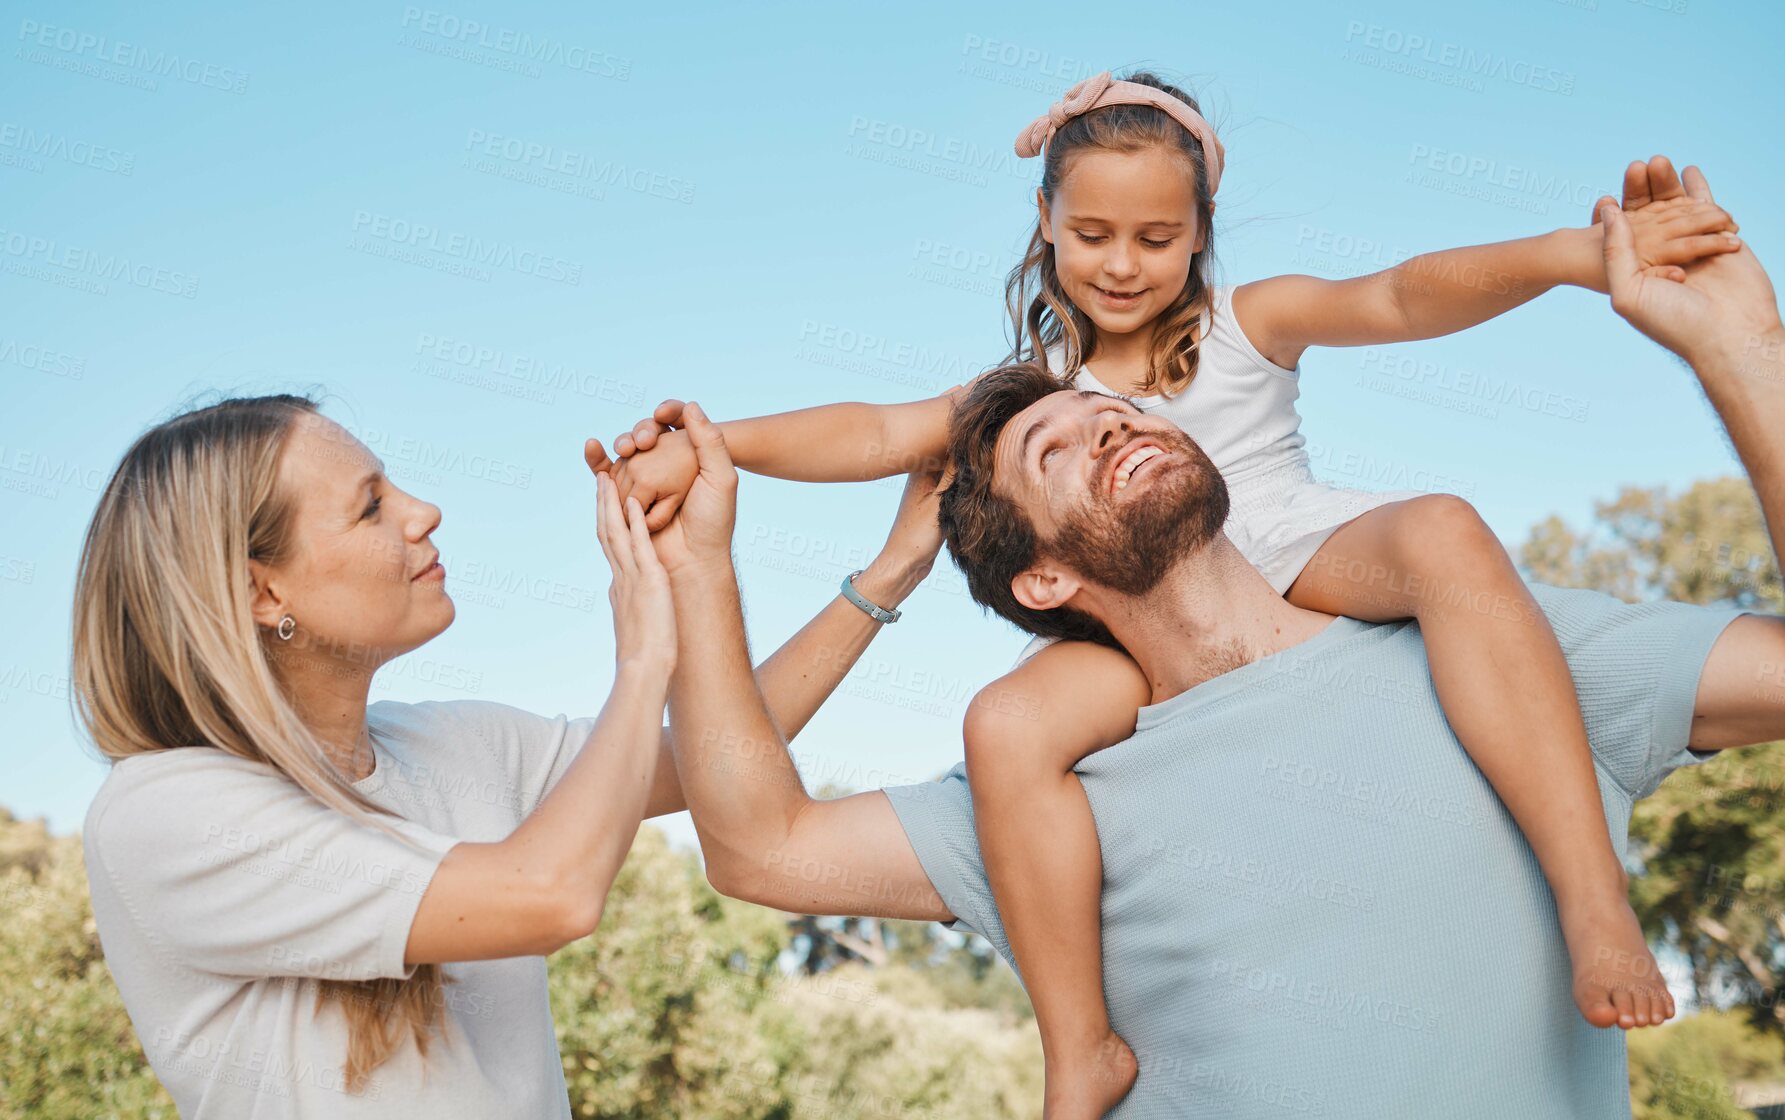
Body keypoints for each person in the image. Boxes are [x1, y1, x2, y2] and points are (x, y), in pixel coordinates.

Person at [597, 71, 1742, 1115]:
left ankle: (1593, 900)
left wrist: (1576, 257)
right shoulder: (1030, 394)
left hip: (1295, 550)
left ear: (1202, 234)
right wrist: (715, 444)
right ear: (1044, 224)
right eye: (1091, 233)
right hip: (1133, 627)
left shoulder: (1248, 325)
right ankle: (1077, 1045)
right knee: (1007, 721)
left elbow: (1399, 296)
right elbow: (870, 430)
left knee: (1443, 531)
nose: (1123, 264)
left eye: (1158, 236)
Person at [72, 391, 944, 1117]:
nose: (424, 512)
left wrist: (884, 570)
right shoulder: (167, 813)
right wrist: (643, 657)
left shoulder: (451, 744)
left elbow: (715, 760)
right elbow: (549, 895)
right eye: (372, 504)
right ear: (264, 592)